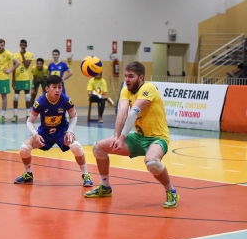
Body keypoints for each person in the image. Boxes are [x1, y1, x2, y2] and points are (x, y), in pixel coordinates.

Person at [84, 61, 180, 209]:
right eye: (126, 76)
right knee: (98, 148)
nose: (127, 80)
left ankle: (171, 191)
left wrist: (122, 138)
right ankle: (105, 186)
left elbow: (133, 112)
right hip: (138, 137)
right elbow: (122, 112)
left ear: (140, 78)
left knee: (152, 162)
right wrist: (116, 136)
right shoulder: (126, 90)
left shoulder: (148, 88)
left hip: (157, 138)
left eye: (131, 76)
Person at [14, 76, 93, 187]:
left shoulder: (66, 100)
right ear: (47, 88)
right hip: (44, 134)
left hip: (62, 132)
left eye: (60, 87)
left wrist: (70, 131)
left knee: (76, 146)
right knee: (24, 149)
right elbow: (29, 121)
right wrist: (35, 134)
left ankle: (86, 175)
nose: (57, 90)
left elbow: (73, 117)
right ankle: (28, 174)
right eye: (54, 87)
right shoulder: (40, 102)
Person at [12, 40, 33, 122]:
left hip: (26, 78)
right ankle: (15, 115)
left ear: (26, 46)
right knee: (16, 96)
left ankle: (28, 115)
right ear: (19, 45)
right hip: (17, 78)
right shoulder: (15, 55)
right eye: (21, 45)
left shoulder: (29, 54)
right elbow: (14, 68)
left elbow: (27, 65)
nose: (23, 46)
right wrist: (13, 80)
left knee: (27, 97)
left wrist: (23, 55)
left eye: (24, 45)